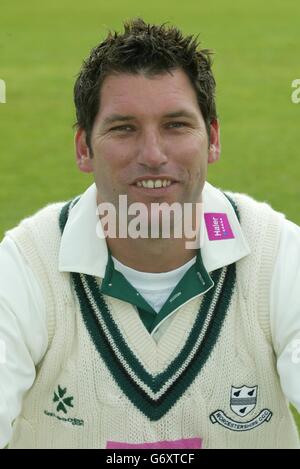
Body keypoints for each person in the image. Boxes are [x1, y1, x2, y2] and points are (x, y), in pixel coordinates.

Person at [0, 18, 299, 450]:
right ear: (83, 148)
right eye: (124, 128)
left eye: (176, 125)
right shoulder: (25, 265)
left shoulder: (279, 255)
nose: (153, 155)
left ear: (212, 139)